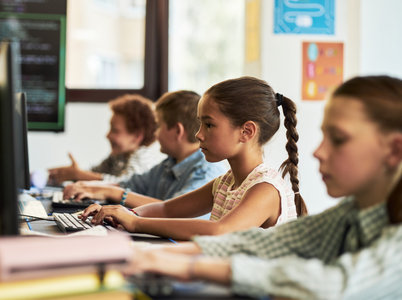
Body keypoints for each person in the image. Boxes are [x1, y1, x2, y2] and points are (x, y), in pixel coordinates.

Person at [123, 75, 402, 299]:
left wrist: (192, 266)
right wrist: (156, 255)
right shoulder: (352, 213)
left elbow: (330, 286)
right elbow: (266, 242)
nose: (317, 151)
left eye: (338, 139)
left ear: (395, 151)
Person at [77, 76, 307, 240]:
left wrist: (136, 223)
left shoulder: (265, 189)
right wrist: (122, 214)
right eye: (200, 124)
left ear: (246, 131)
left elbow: (220, 231)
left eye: (209, 125)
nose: (198, 134)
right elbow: (168, 210)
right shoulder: (225, 183)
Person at [63, 90, 228, 207]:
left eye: (158, 126)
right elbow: (131, 184)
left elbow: (174, 209)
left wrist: (111, 192)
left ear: (177, 131)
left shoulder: (206, 172)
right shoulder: (168, 164)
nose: (154, 135)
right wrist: (92, 187)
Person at [48, 94, 163, 185]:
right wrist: (71, 173)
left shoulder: (141, 157)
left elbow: (126, 184)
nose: (108, 135)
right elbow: (94, 173)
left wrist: (79, 175)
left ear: (136, 136)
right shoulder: (118, 157)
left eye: (115, 130)